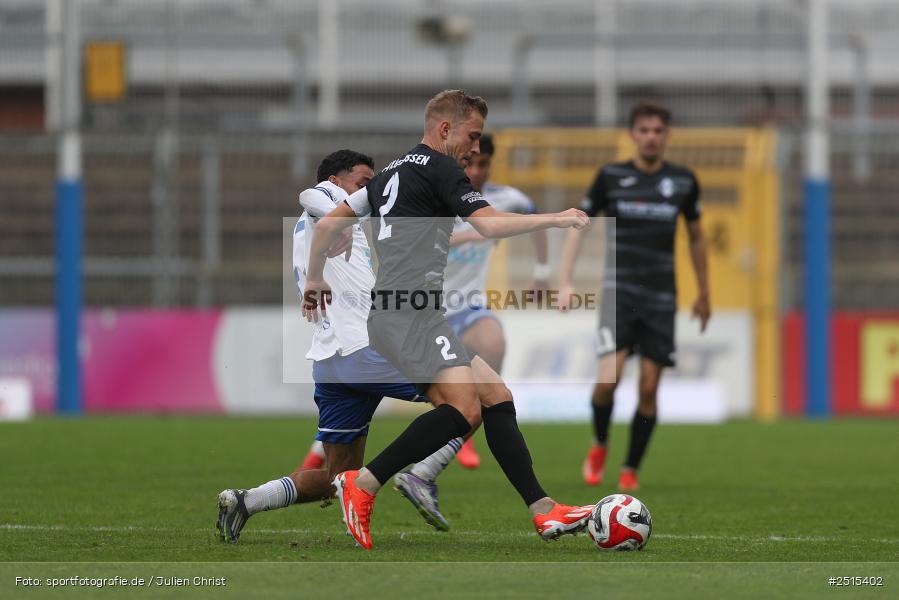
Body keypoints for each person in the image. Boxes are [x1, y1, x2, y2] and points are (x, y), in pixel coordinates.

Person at [302, 89, 593, 550]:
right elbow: (490, 225)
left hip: (401, 312)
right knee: (463, 409)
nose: (475, 148)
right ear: (445, 129)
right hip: (409, 313)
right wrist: (555, 219)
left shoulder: (389, 174)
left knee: (495, 395)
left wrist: (314, 278)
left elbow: (324, 226)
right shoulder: (442, 168)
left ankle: (543, 511)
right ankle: (364, 483)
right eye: (472, 136)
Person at [217, 149, 430, 542]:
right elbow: (309, 196)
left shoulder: (342, 226)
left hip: (332, 360)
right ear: (336, 181)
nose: (369, 192)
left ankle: (247, 500)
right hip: (365, 350)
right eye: (362, 183)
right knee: (465, 398)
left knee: (334, 476)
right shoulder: (326, 203)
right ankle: (422, 476)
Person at [557, 101, 711, 491]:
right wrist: (564, 280)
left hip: (661, 296)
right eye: (644, 130)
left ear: (667, 136)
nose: (651, 137)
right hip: (618, 292)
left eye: (658, 131)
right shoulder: (610, 176)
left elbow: (696, 236)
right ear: (632, 135)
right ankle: (600, 443)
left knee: (648, 388)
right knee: (607, 381)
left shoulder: (683, 181)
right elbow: (580, 226)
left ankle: (631, 468)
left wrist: (704, 292)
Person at [404, 133, 548, 472]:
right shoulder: (438, 195)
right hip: (424, 309)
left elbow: (533, 219)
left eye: (484, 164)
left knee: (493, 344)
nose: (476, 171)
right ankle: (324, 450)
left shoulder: (505, 198)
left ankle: (459, 437)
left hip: (469, 306)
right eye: (470, 164)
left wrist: (542, 272)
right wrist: (471, 233)